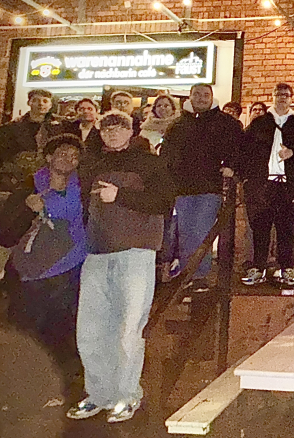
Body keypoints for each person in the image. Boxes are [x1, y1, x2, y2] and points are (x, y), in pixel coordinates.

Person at [68, 111, 175, 423]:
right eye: (107, 128)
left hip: (135, 254)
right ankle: (98, 394)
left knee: (129, 329)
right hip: (97, 254)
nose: (112, 133)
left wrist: (120, 195)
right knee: (89, 330)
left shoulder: (150, 163)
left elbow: (165, 202)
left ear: (132, 130)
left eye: (119, 127)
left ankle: (127, 396)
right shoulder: (92, 164)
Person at [2, 134, 87, 403]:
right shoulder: (30, 187)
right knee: (24, 330)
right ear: (49, 157)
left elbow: (84, 219)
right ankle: (18, 388)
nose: (68, 159)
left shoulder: (83, 188)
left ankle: (60, 389)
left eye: (74, 156)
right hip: (30, 270)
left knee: (60, 331)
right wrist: (29, 208)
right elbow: (5, 230)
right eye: (62, 153)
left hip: (69, 267)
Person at [159, 84, 240, 288]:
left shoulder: (226, 123)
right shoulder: (178, 125)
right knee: (185, 233)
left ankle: (199, 275)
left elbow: (238, 148)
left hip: (210, 187)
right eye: (197, 94)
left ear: (212, 97)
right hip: (183, 188)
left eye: (206, 95)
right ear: (190, 97)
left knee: (201, 232)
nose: (202, 98)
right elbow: (167, 154)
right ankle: (188, 274)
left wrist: (230, 166)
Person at [239, 83, 294, 286]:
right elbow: (244, 150)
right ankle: (259, 268)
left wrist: (293, 152)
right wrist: (247, 178)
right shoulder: (259, 123)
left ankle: (286, 268)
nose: (282, 98)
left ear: (291, 99)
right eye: (279, 94)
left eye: (286, 95)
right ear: (273, 97)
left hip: (289, 185)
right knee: (260, 228)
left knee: (288, 228)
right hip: (263, 184)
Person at [0, 89, 78, 170]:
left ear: (50, 105)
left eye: (45, 101)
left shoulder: (63, 126)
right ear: (29, 103)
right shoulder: (11, 128)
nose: (41, 104)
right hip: (21, 174)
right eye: (36, 100)